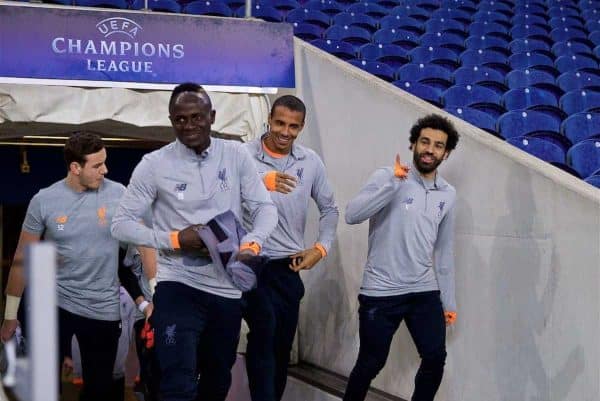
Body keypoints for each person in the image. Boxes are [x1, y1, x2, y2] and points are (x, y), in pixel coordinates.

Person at [110, 82, 278, 401]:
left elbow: (264, 208)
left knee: (217, 378)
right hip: (178, 286)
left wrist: (252, 244)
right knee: (177, 378)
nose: (189, 126)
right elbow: (121, 225)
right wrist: (175, 238)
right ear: (171, 119)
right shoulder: (154, 165)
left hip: (227, 286)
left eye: (197, 117)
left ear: (211, 116)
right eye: (180, 119)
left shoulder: (236, 155)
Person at [0, 132, 147, 401]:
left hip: (103, 308)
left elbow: (142, 247)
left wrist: (149, 297)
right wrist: (10, 315)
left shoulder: (119, 194)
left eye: (105, 162)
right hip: (54, 306)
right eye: (97, 165)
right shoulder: (44, 200)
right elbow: (23, 257)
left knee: (100, 391)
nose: (106, 170)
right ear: (75, 167)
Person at [343, 114, 460, 401]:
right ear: (413, 144)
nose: (429, 149)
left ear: (446, 153)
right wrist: (392, 185)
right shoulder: (388, 176)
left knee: (434, 358)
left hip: (424, 291)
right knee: (371, 362)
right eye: (424, 142)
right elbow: (352, 215)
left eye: (438, 145)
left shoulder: (448, 194)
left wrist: (449, 300)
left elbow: (443, 251)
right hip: (380, 291)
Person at [241, 95, 339, 401]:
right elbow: (220, 191)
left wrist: (321, 248)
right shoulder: (242, 155)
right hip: (250, 265)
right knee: (264, 332)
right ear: (269, 119)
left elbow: (330, 210)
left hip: (288, 268)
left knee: (281, 347)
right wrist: (262, 181)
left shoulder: (310, 162)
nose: (285, 132)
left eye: (293, 126)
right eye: (280, 123)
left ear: (302, 126)